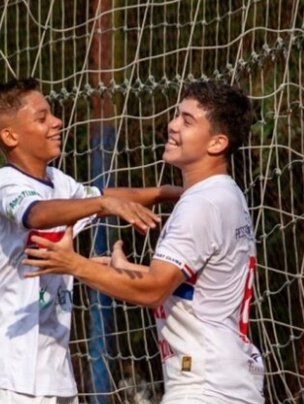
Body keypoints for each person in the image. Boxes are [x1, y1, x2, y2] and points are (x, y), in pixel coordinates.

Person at [23, 80, 264, 403]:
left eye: (187, 120)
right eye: (177, 115)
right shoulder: (224, 195)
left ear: (217, 143)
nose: (173, 125)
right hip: (225, 381)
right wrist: (122, 271)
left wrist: (72, 263)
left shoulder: (201, 204)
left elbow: (154, 290)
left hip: (206, 387)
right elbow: (195, 289)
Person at [0, 77, 182, 404]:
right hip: (11, 370)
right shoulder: (4, 182)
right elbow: (36, 214)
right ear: (10, 136)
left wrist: (176, 194)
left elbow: (108, 195)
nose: (56, 122)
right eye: (41, 118)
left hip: (54, 371)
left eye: (52, 113)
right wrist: (102, 204)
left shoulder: (59, 182)